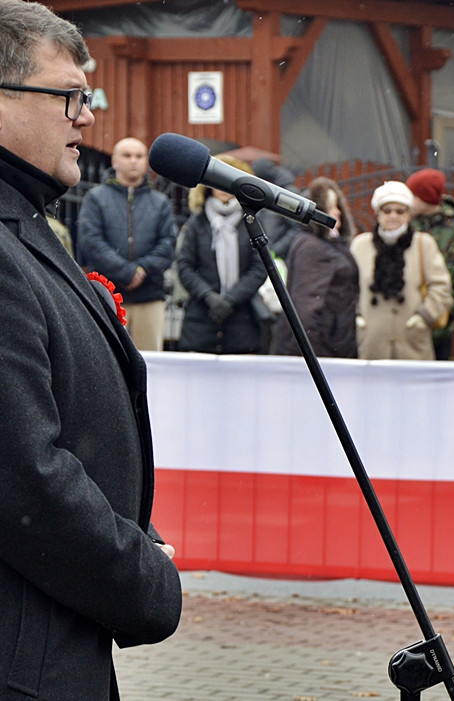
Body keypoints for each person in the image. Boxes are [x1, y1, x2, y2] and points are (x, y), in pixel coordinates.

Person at [0, 2, 181, 698]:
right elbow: (23, 474)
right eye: (68, 96)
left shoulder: (28, 224)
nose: (86, 117)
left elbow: (73, 424)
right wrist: (143, 576)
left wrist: (134, 528)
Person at [77, 136, 177, 351]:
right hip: (106, 297)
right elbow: (91, 241)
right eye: (127, 155)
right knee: (106, 358)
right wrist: (126, 272)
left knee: (151, 364)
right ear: (114, 161)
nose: (133, 161)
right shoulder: (95, 198)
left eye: (139, 156)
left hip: (149, 298)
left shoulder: (160, 203)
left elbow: (168, 244)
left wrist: (142, 269)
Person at [175, 154, 268, 354]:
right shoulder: (196, 223)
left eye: (229, 183)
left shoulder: (251, 222)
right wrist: (209, 296)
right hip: (200, 321)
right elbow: (184, 266)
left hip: (242, 321)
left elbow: (259, 268)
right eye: (218, 183)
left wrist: (230, 299)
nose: (223, 189)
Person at [351, 181, 453, 360]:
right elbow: (347, 288)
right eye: (387, 210)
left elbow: (442, 287)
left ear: (409, 214)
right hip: (371, 345)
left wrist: (424, 316)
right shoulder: (361, 245)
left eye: (400, 211)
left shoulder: (423, 244)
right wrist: (355, 316)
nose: (393, 216)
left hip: (412, 345)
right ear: (377, 213)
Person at [271, 177, 359, 358]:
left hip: (333, 344)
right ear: (320, 212)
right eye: (331, 207)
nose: (338, 212)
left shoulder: (329, 243)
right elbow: (306, 310)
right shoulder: (313, 248)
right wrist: (314, 358)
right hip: (324, 350)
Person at [407, 167, 454, 360]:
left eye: (414, 195)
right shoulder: (409, 223)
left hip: (439, 323)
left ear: (425, 198)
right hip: (408, 319)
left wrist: (445, 315)